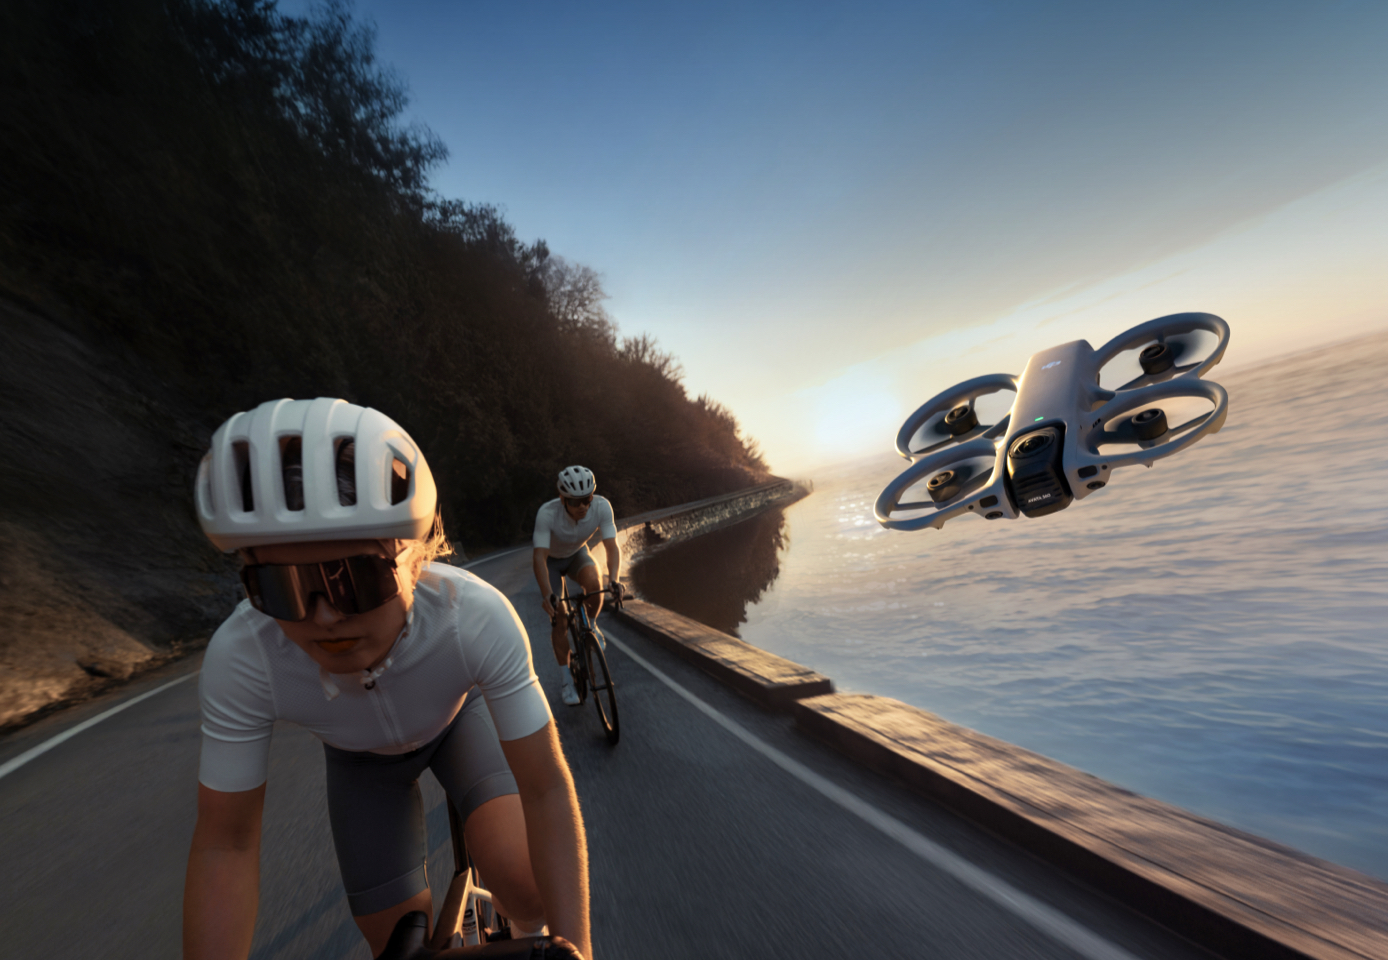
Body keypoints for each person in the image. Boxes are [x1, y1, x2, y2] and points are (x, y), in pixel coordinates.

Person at [182, 398, 590, 960]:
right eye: (281, 588)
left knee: (523, 882)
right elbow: (225, 844)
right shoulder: (244, 655)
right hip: (360, 763)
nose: (325, 616)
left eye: (355, 580)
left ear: (414, 557)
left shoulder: (472, 616)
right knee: (396, 943)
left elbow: (545, 787)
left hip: (457, 723)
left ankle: (517, 920)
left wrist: (577, 948)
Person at [532, 466, 623, 706]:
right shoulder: (547, 514)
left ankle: (591, 625)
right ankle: (566, 681)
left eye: (587, 499)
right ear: (563, 499)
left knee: (595, 582)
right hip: (551, 562)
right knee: (560, 618)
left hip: (577, 554)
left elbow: (612, 547)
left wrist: (614, 580)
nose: (582, 506)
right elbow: (539, 557)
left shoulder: (602, 506)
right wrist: (548, 595)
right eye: (575, 502)